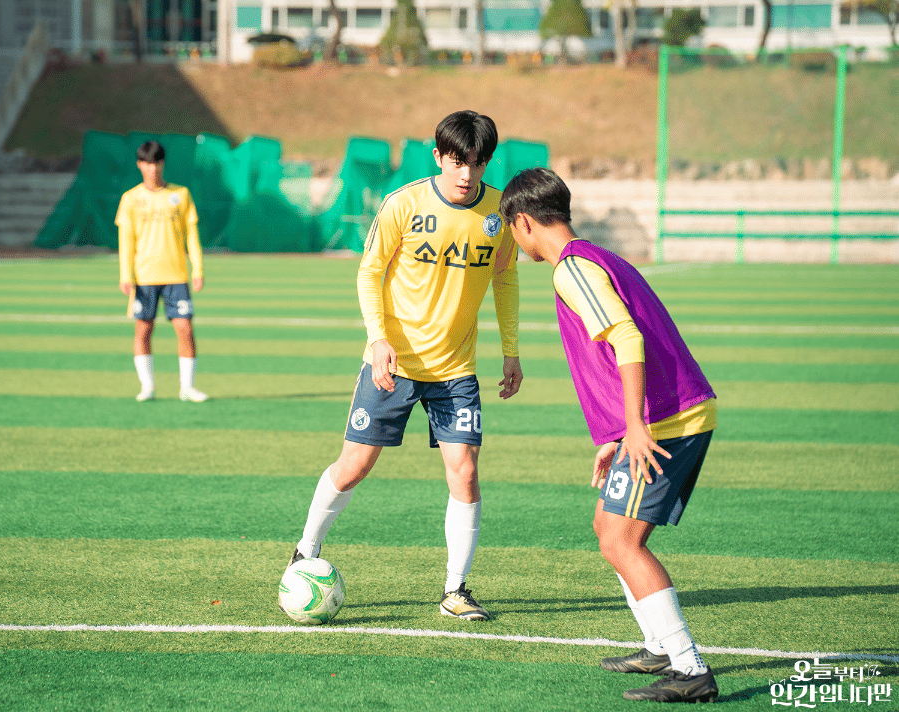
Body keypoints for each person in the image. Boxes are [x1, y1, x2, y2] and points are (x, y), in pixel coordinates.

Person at [288, 110, 523, 621]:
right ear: (438, 157)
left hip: (455, 369)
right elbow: (369, 271)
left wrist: (511, 349)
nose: (467, 174)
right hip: (392, 363)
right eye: (457, 161)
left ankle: (456, 590)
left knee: (465, 472)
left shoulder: (498, 212)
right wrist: (377, 340)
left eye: (477, 163)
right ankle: (305, 549)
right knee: (354, 466)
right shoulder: (404, 203)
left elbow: (505, 276)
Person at [499, 167, 719, 703]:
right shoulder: (594, 257)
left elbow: (626, 336)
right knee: (607, 526)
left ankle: (690, 668)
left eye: (512, 230)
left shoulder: (571, 270)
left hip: (667, 420)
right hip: (664, 416)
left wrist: (636, 426)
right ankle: (659, 647)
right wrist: (618, 433)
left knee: (622, 540)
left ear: (523, 223)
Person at [116, 140, 207, 403]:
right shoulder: (130, 199)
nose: (152, 168)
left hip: (176, 275)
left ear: (163, 164)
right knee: (143, 330)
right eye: (147, 163)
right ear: (139, 165)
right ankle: (147, 387)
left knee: (185, 328)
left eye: (156, 162)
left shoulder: (181, 194)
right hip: (144, 276)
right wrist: (125, 275)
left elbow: (191, 235)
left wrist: (198, 268)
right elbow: (126, 241)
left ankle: (187, 387)